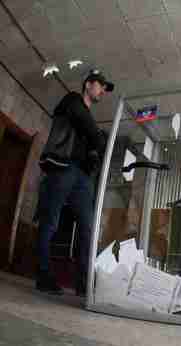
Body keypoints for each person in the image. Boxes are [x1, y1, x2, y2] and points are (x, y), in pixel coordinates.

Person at [36, 69, 113, 296]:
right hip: (62, 167)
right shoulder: (72, 100)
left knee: (88, 225)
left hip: (81, 175)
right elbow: (86, 124)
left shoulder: (87, 118)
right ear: (88, 84)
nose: (102, 91)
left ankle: (83, 282)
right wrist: (99, 140)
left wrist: (95, 151)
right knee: (50, 220)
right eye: (100, 85)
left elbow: (93, 145)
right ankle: (44, 275)